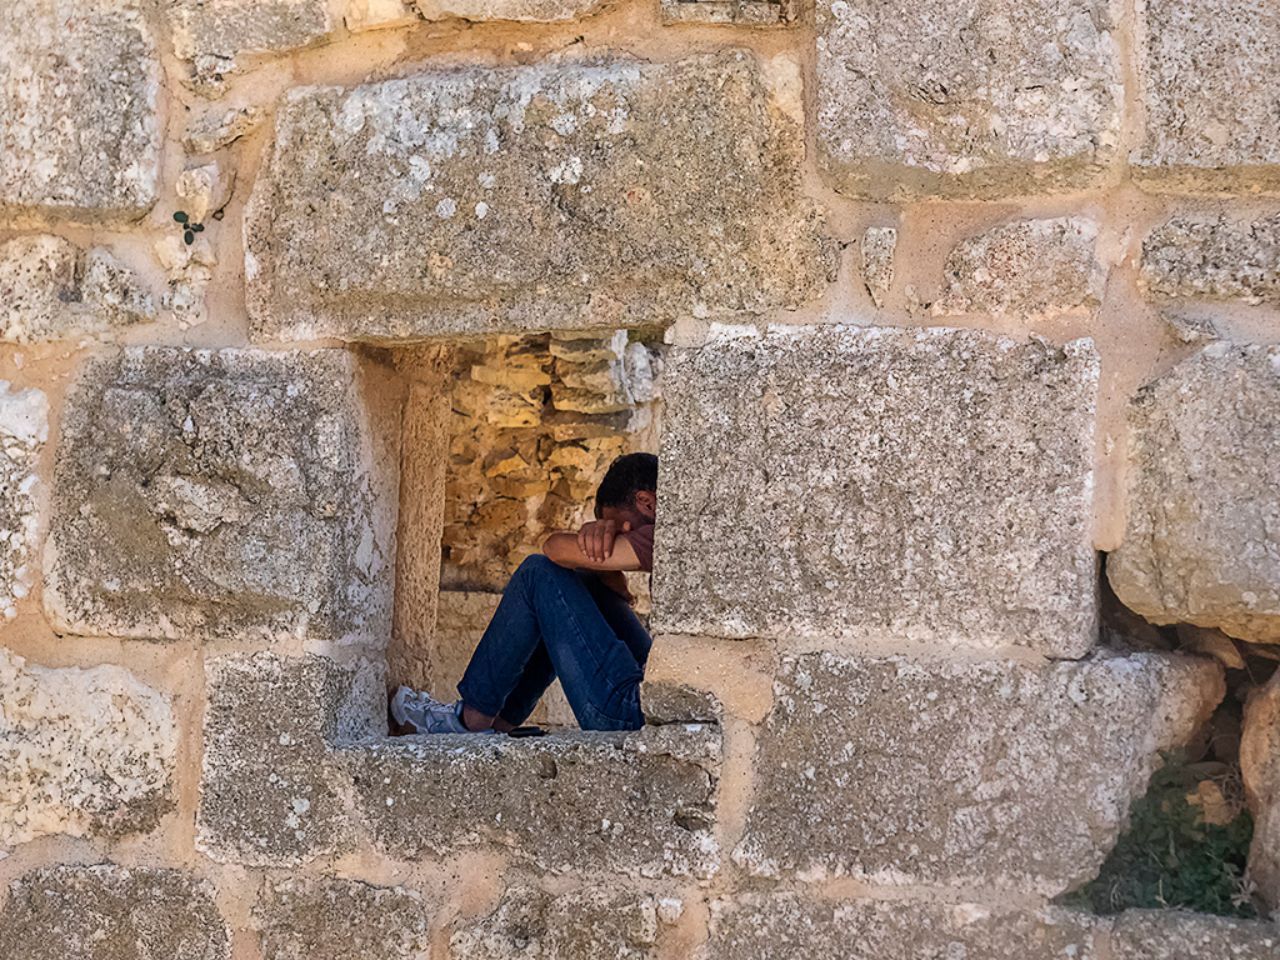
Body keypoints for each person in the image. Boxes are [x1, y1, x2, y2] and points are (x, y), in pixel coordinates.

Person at [390, 452, 658, 734]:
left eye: (620, 528)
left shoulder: (663, 533)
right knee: (584, 583)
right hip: (644, 699)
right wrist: (604, 571)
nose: (618, 536)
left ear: (646, 502)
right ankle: (499, 723)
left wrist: (600, 543)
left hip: (629, 710)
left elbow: (553, 549)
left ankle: (469, 719)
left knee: (537, 573)